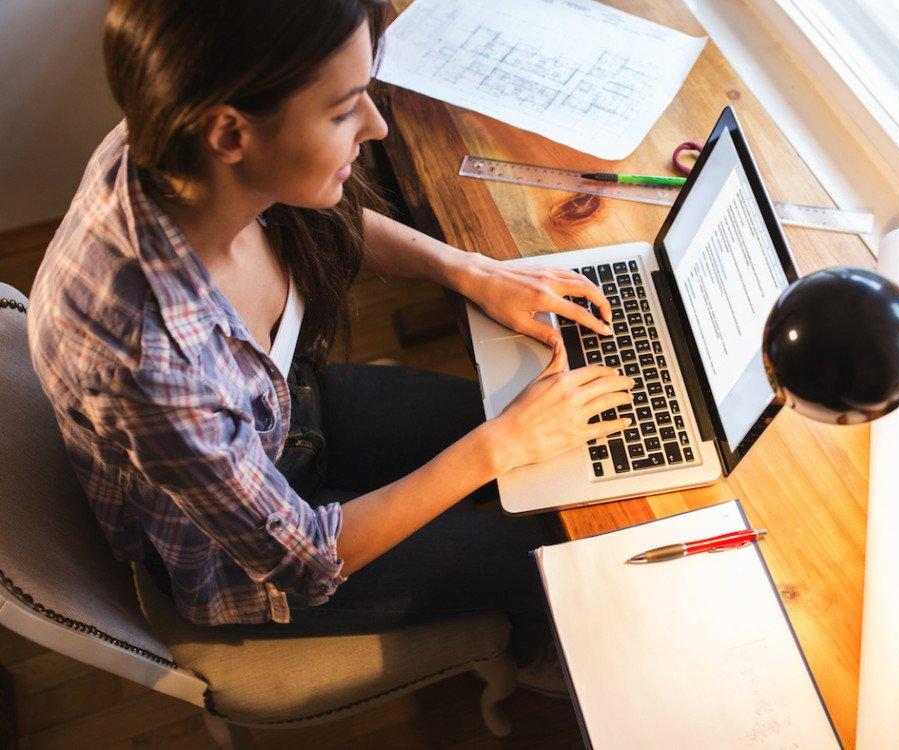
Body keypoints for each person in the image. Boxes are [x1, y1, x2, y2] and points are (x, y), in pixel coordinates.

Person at [27, 0, 633, 691]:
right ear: (231, 133)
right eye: (344, 110)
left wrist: (471, 272)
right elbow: (304, 560)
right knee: (558, 545)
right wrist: (503, 445)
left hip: (290, 411)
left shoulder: (178, 146)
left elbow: (326, 207)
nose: (373, 127)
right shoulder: (151, 360)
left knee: (572, 443)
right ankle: (535, 647)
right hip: (252, 569)